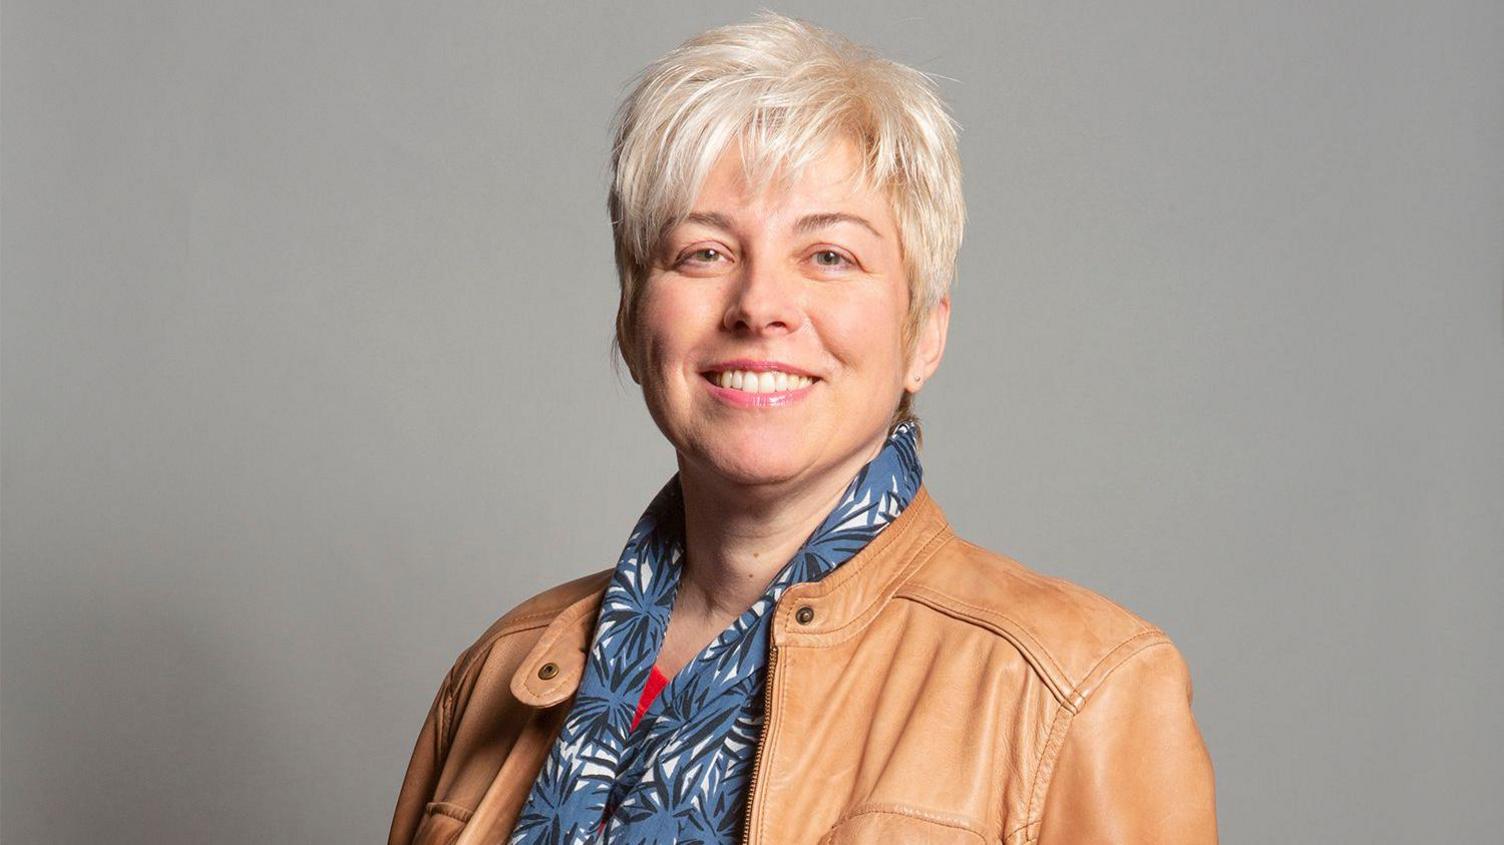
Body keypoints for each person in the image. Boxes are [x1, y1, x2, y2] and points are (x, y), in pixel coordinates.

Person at [389, 12, 1217, 845]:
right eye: (704, 253)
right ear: (633, 319)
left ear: (923, 334)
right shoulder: (499, 673)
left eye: (829, 256)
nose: (759, 306)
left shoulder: (1076, 692)